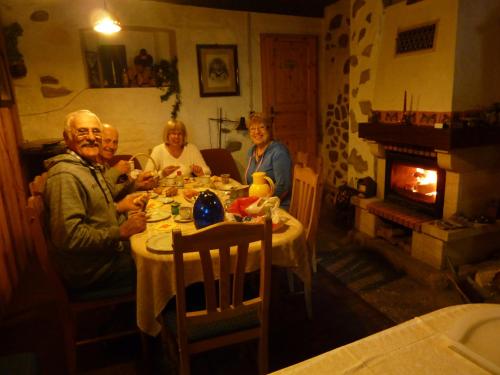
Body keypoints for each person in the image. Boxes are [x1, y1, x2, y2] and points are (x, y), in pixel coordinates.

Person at [44, 109, 147, 294]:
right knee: (158, 267)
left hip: (107, 254)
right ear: (67, 138)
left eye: (96, 131)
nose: (91, 137)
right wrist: (121, 232)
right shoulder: (65, 175)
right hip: (95, 271)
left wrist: (121, 210)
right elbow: (69, 237)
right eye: (83, 131)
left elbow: (97, 212)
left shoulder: (87, 166)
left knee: (152, 242)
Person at [245, 112, 292, 209]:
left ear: (269, 129)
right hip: (257, 203)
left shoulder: (279, 152)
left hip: (277, 207)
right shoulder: (251, 151)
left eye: (261, 127)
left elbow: (283, 187)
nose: (257, 132)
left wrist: (263, 205)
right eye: (253, 129)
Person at [99, 123, 156, 199]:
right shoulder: (89, 167)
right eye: (107, 141)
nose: (112, 146)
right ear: (97, 140)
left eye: (115, 142)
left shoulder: (105, 165)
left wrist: (137, 183)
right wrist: (115, 170)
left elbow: (114, 193)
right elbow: (100, 196)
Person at [144, 119, 210, 178]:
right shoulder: (158, 150)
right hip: (164, 190)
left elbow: (207, 171)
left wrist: (200, 171)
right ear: (167, 135)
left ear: (184, 136)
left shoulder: (191, 148)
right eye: (173, 133)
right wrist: (162, 173)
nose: (176, 137)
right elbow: (146, 175)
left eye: (180, 134)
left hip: (188, 189)